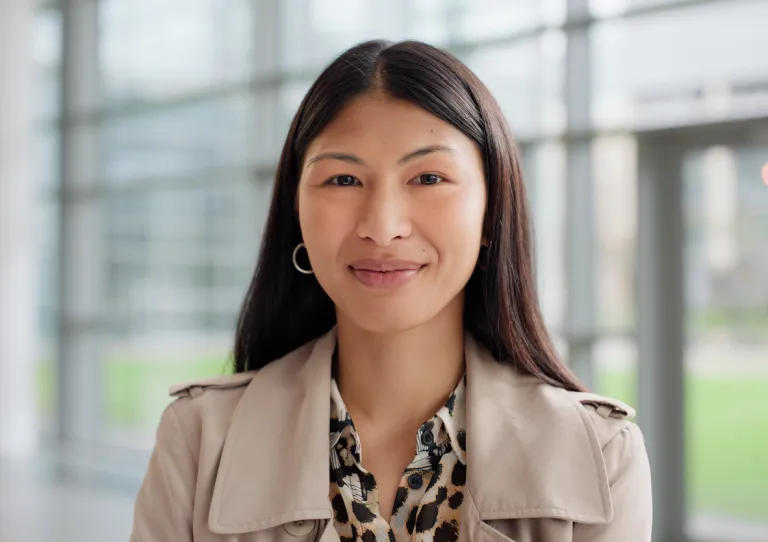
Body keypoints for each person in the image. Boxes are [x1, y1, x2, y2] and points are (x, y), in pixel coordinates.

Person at [130, 40, 652, 542]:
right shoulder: (199, 441)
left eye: (427, 178)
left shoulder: (601, 455)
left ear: (492, 212)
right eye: (342, 180)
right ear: (297, 214)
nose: (383, 227)